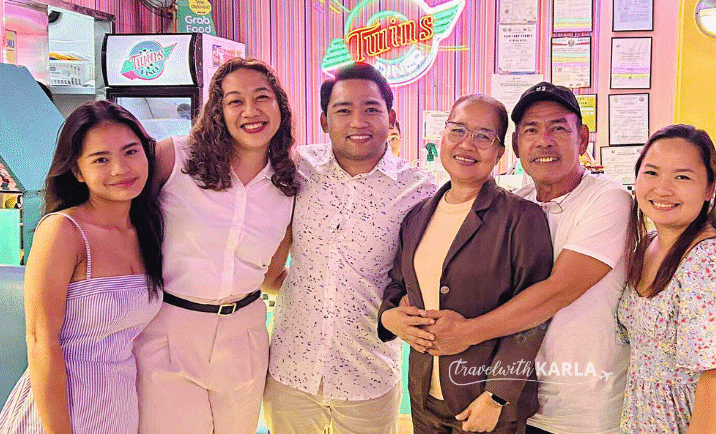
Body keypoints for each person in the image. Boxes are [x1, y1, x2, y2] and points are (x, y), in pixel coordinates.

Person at [421, 82, 632, 434]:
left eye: (558, 129)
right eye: (531, 130)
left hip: (585, 408)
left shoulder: (607, 199)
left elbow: (557, 292)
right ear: (517, 146)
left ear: (582, 139)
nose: (544, 141)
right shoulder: (516, 204)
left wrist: (466, 333)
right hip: (518, 403)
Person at [262, 63, 437, 434]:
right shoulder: (296, 169)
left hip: (368, 374)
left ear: (391, 118)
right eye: (343, 110)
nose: (358, 121)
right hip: (291, 371)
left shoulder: (419, 189)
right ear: (325, 121)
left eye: (371, 109)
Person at [134, 58, 298, 434]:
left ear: (280, 106)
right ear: (218, 111)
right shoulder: (174, 157)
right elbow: (125, 223)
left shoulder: (290, 181)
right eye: (235, 101)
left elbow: (272, 274)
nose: (250, 111)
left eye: (262, 97)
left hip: (244, 332)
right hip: (169, 327)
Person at [378, 95, 554, 433]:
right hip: (424, 398)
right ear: (442, 137)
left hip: (484, 404)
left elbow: (535, 315)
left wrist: (498, 396)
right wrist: (390, 316)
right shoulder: (417, 216)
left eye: (483, 136)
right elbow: (397, 284)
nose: (467, 144)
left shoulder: (521, 218)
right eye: (457, 130)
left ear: (500, 151)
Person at [0, 100, 164, 433]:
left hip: (119, 408)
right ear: (77, 171)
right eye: (101, 159)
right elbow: (41, 342)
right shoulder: (63, 231)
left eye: (131, 152)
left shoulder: (147, 229)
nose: (120, 169)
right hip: (59, 413)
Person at [617, 124, 716, 434]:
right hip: (650, 416)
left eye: (682, 177)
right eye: (651, 173)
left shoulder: (712, 260)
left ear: (709, 188)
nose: (663, 189)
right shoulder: (646, 245)